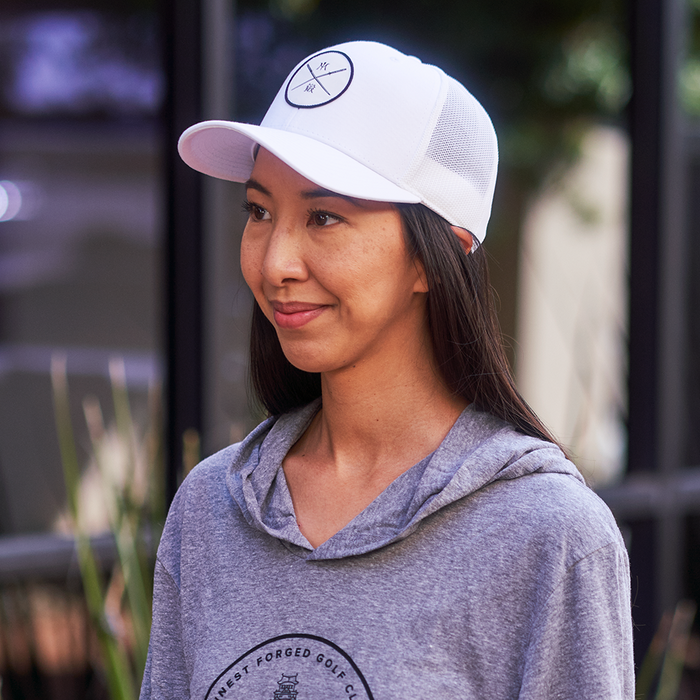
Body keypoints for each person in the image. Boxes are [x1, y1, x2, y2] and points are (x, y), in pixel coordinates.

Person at [141, 41, 634, 699]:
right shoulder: (211, 508)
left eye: (323, 217)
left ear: (438, 254)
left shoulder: (548, 535)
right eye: (259, 211)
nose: (275, 262)